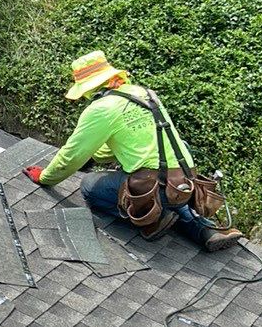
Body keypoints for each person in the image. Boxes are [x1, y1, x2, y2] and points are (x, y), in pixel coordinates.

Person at [24, 49, 241, 253]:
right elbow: (119, 147)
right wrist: (99, 154)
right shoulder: (144, 94)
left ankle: (152, 217)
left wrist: (44, 177)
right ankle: (203, 229)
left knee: (89, 186)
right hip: (186, 184)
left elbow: (71, 156)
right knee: (168, 181)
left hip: (154, 188)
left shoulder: (101, 109)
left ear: (89, 87)